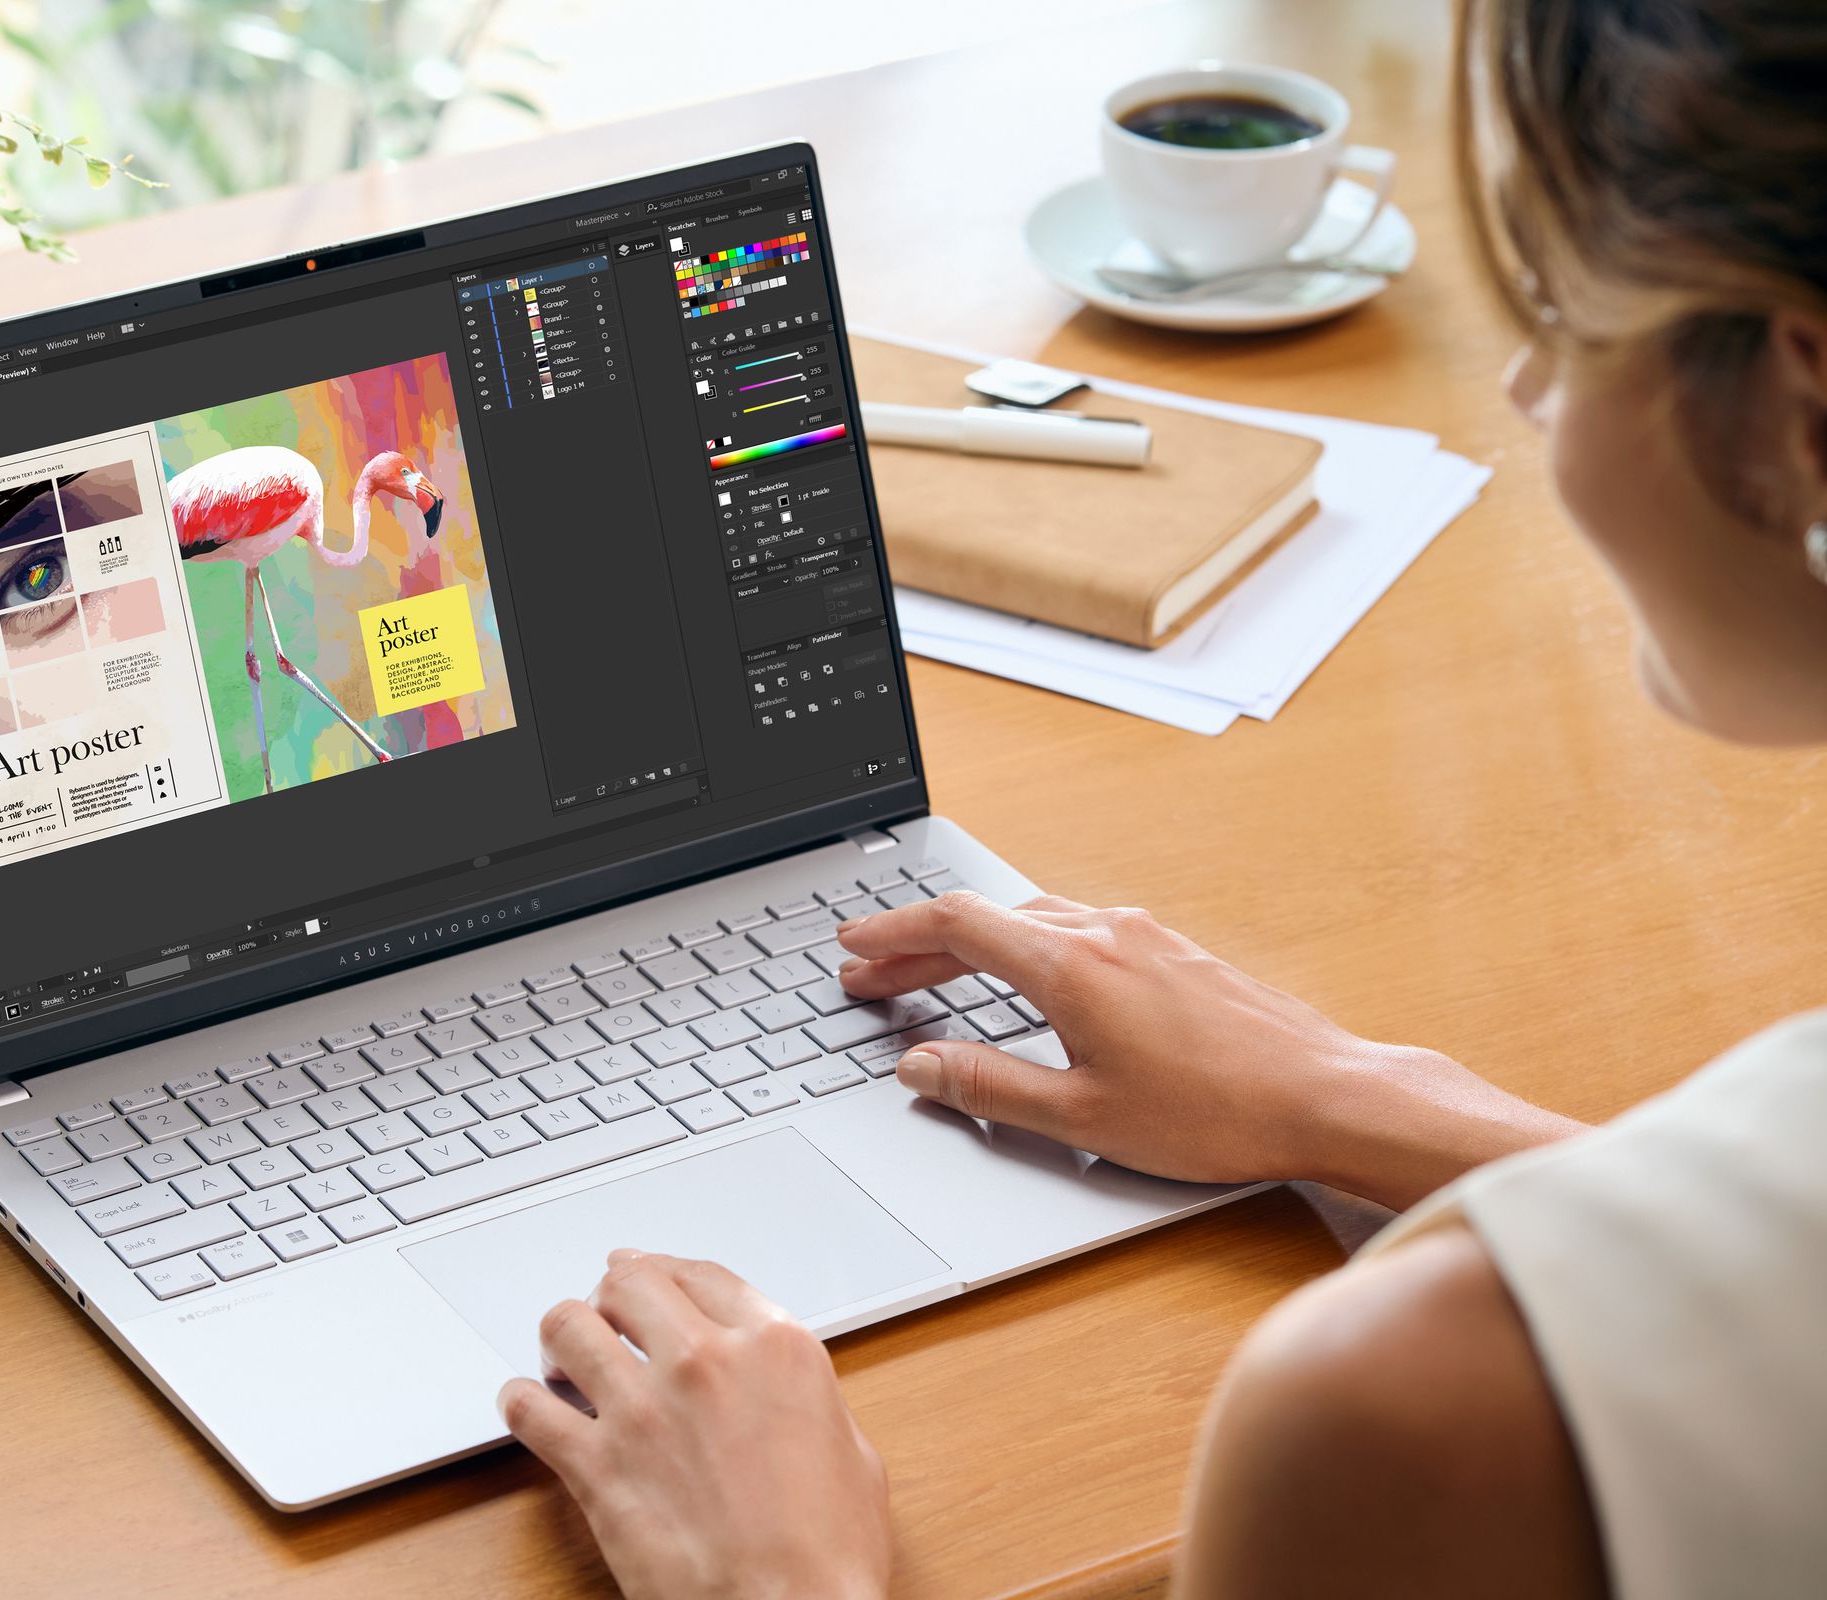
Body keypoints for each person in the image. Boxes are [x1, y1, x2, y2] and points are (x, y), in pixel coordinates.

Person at [493, 2, 1827, 1595]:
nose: (1533, 390)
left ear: (1802, 396)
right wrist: (1358, 1096)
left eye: (1565, 307)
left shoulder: (1407, 1408)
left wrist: (779, 1582)